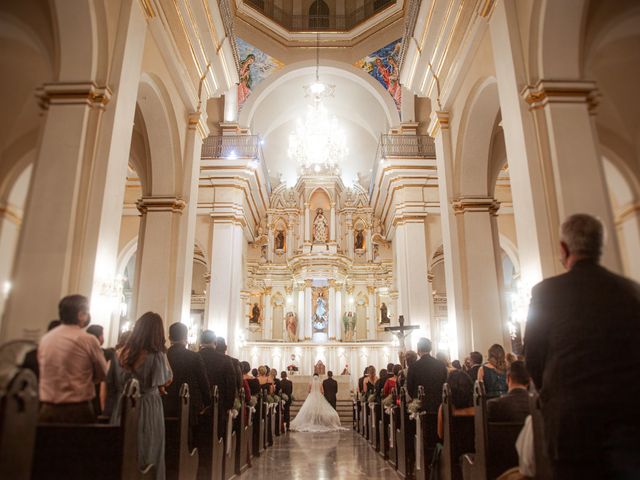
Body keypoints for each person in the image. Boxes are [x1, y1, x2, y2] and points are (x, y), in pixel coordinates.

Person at [525, 214, 640, 479]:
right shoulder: (631, 290)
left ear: (564, 249)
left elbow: (533, 356)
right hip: (628, 420)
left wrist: (552, 392)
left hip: (571, 420)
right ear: (600, 247)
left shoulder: (546, 292)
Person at [112, 312, 173, 480]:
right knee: (149, 447)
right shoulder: (157, 355)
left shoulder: (122, 352)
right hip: (148, 405)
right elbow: (167, 379)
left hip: (124, 404)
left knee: (126, 446)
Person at [38, 295, 107, 424]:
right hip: (77, 410)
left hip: (47, 409)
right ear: (81, 314)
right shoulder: (87, 339)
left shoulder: (46, 339)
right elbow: (103, 373)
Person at [163, 322, 211, 444]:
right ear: (186, 337)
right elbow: (203, 382)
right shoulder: (194, 357)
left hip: (166, 405)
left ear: (169, 337)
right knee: (186, 439)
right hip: (189, 406)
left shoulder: (164, 355)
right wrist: (207, 402)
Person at [199, 330, 236, 436]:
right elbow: (231, 385)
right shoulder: (225, 360)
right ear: (215, 342)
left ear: (201, 341)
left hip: (199, 407)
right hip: (220, 406)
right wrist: (228, 406)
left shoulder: (194, 357)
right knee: (218, 436)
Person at [406, 338, 447, 411]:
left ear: (418, 349)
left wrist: (416, 398)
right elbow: (445, 382)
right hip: (438, 404)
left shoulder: (413, 366)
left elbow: (410, 387)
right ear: (430, 348)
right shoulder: (440, 365)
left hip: (420, 404)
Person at [437, 370, 475, 439]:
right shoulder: (477, 408)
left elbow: (441, 435)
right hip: (473, 446)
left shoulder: (445, 408)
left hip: (452, 447)